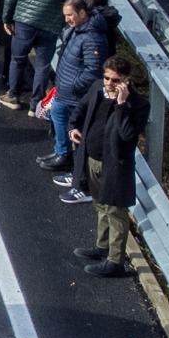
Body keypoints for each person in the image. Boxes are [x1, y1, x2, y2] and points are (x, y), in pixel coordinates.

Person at [72, 56, 145, 277]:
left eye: (115, 80)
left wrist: (121, 105)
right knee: (100, 204)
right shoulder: (97, 88)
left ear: (126, 80)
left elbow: (128, 135)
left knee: (115, 211)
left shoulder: (138, 104)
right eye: (107, 78)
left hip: (115, 166)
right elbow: (82, 107)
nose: (109, 83)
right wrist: (72, 126)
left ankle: (115, 262)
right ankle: (102, 246)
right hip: (91, 158)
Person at [0, 0, 73, 110]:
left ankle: (13, 96)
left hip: (24, 23)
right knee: (43, 65)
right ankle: (36, 105)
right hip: (50, 27)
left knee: (17, 59)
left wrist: (7, 19)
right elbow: (70, 3)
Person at [42, 0, 110, 175]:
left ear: (82, 13)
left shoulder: (92, 38)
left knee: (76, 129)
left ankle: (75, 167)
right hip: (65, 90)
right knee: (57, 116)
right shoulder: (79, 30)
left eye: (70, 15)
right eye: (65, 16)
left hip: (74, 93)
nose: (67, 20)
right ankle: (62, 153)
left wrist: (73, 86)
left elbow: (93, 70)